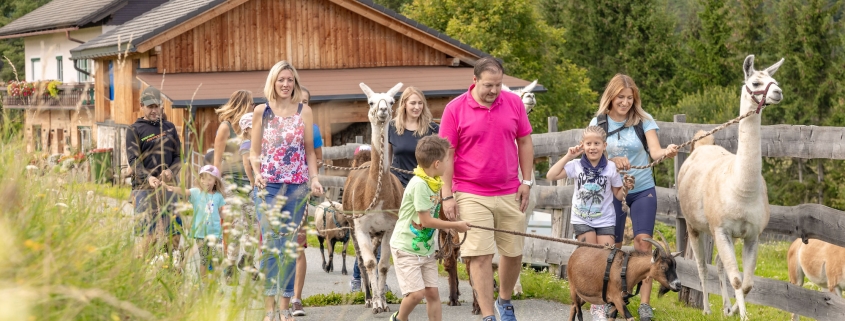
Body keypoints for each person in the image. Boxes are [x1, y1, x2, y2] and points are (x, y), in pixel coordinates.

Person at [440, 57, 534, 321]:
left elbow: (525, 142)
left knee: (513, 251)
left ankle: (504, 301)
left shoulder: (514, 103)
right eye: (488, 85)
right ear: (475, 81)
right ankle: (487, 315)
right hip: (470, 191)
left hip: (509, 190)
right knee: (480, 254)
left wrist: (526, 182)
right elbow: (447, 153)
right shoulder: (455, 109)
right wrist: (447, 194)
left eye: (498, 85)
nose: (494, 91)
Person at [588, 74, 679, 321]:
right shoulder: (599, 123)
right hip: (611, 190)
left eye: (630, 98)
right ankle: (613, 299)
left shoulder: (643, 121)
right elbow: (591, 155)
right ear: (611, 96)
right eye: (621, 97)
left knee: (643, 244)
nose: (626, 102)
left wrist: (666, 153)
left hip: (643, 189)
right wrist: (611, 161)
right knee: (613, 247)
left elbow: (655, 151)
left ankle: (645, 304)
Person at [250, 60, 323, 321]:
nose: (285, 84)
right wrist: (257, 174)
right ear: (273, 81)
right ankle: (269, 309)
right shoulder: (262, 111)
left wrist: (314, 179)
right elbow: (254, 152)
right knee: (271, 244)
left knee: (289, 247)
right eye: (281, 79)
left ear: (295, 83)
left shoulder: (304, 111)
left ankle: (284, 306)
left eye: (289, 80)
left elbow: (310, 152)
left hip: (297, 187)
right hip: (268, 186)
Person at [545, 126, 633, 321]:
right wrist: (568, 156)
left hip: (605, 219)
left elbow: (618, 194)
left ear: (604, 145)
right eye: (588, 143)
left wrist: (625, 188)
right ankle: (596, 306)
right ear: (582, 145)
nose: (592, 147)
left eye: (596, 143)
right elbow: (551, 175)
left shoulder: (610, 167)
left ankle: (603, 303)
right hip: (582, 219)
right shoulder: (576, 165)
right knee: (591, 260)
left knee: (606, 261)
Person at [388, 136, 470, 321]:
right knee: (416, 294)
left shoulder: (434, 182)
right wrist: (455, 225)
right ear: (437, 163)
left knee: (433, 293)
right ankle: (399, 318)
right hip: (406, 248)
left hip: (425, 249)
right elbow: (425, 221)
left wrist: (448, 228)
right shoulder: (420, 185)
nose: (449, 164)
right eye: (448, 160)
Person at [127, 86, 183, 262]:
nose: (154, 110)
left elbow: (179, 157)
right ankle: (145, 270)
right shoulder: (134, 130)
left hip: (168, 186)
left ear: (162, 106)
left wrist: (170, 171)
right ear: (142, 106)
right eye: (150, 106)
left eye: (157, 106)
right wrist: (148, 177)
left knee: (174, 231)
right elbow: (133, 160)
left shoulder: (170, 127)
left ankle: (171, 266)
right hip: (144, 188)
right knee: (147, 236)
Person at [289, 86, 324, 316]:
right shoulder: (277, 123)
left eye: (306, 102)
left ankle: (296, 298)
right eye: (298, 100)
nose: (302, 105)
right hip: (277, 188)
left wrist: (310, 175)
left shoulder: (313, 129)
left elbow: (317, 158)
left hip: (300, 188)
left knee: (297, 245)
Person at [163, 165, 227, 279]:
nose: (205, 182)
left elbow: (221, 213)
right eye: (203, 178)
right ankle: (203, 281)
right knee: (204, 260)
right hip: (201, 234)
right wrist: (170, 187)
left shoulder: (219, 196)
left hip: (216, 233)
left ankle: (214, 282)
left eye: (209, 179)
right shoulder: (196, 193)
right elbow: (184, 191)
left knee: (216, 258)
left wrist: (228, 219)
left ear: (216, 182)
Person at [389, 86, 440, 186]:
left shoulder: (433, 129)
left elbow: (440, 161)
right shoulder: (391, 127)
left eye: (420, 103)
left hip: (424, 185)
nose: (417, 107)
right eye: (413, 103)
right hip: (398, 186)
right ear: (404, 104)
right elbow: (386, 163)